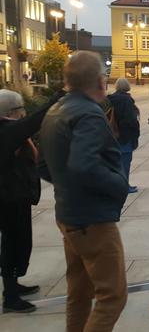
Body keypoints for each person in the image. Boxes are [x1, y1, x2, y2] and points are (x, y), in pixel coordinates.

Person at [39, 51, 128, 331]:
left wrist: (65, 185)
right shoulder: (89, 114)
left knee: (79, 293)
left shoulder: (55, 110)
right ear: (101, 82)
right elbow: (84, 165)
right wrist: (118, 185)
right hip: (93, 220)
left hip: (68, 215)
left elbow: (42, 164)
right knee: (112, 297)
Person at [0, 89, 64, 313]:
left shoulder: (7, 130)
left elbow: (30, 121)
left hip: (14, 195)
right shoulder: (6, 131)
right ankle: (10, 296)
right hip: (9, 198)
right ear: (11, 112)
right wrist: (59, 96)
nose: (23, 113)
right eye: (20, 110)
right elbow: (34, 121)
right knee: (13, 242)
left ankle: (13, 285)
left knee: (18, 241)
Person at [108, 78, 140, 192]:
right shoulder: (126, 100)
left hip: (112, 135)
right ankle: (124, 186)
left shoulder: (110, 98)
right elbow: (130, 120)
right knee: (125, 162)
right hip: (125, 136)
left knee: (116, 162)